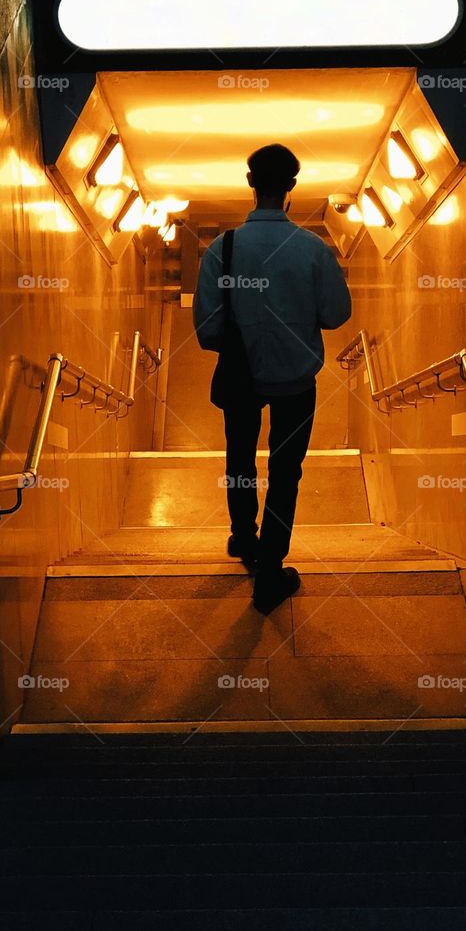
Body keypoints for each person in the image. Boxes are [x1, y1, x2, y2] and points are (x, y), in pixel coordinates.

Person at [194, 143, 352, 613]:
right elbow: (336, 313)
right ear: (292, 188)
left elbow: (207, 330)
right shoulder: (312, 251)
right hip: (296, 381)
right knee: (286, 472)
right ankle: (271, 570)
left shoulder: (222, 250)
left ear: (249, 183)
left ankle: (244, 537)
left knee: (240, 459)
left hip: (241, 377)